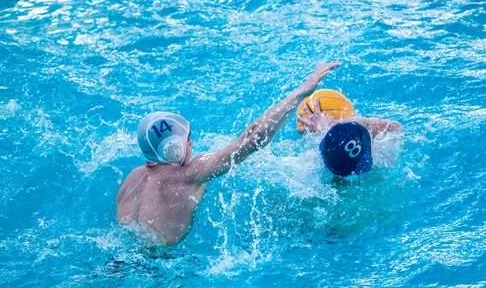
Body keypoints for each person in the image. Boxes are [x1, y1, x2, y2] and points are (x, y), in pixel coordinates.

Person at [116, 61, 342, 246]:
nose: (192, 144)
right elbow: (253, 139)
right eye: (187, 139)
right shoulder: (187, 175)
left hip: (118, 262)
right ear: (173, 149)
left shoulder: (132, 179)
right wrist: (300, 93)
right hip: (158, 276)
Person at [297, 96, 403, 177]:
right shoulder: (383, 168)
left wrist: (327, 129)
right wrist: (333, 124)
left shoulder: (309, 177)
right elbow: (395, 127)